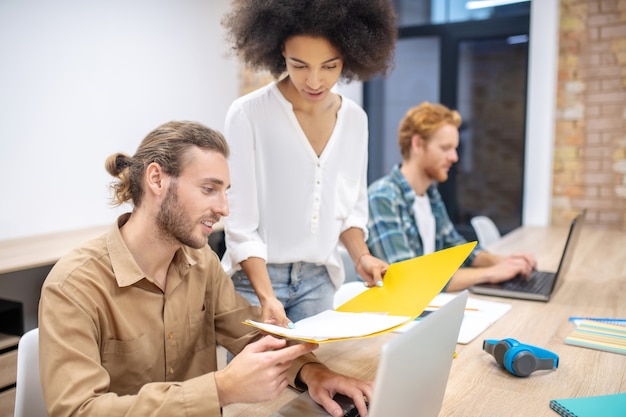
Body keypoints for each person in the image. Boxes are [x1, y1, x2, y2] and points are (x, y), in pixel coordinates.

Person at [38, 121, 372, 417]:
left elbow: (249, 334)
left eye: (225, 193)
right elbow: (78, 411)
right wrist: (220, 389)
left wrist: (315, 374)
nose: (224, 208)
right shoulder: (73, 286)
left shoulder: (201, 263)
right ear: (156, 179)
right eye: (209, 189)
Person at [220, 0, 397, 327]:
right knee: (260, 378)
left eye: (330, 66)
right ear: (279, 51)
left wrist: (362, 257)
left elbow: (349, 208)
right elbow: (240, 224)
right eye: (299, 65)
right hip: (253, 282)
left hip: (320, 282)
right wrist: (266, 296)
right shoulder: (248, 115)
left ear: (350, 55)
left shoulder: (355, 120)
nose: (314, 81)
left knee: (317, 377)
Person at [367, 102, 537, 292]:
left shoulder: (430, 195)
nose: (454, 157)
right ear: (417, 144)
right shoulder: (383, 197)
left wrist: (503, 262)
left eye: (455, 148)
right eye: (446, 148)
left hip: (429, 304)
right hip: (396, 315)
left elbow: (456, 248)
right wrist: (490, 273)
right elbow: (407, 279)